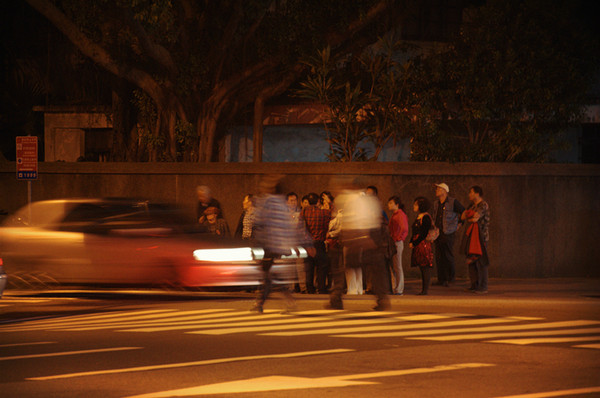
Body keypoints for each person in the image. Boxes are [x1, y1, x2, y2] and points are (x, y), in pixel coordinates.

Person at [330, 181, 390, 311]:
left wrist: (358, 238)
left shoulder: (351, 200)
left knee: (344, 268)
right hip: (369, 238)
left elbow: (355, 220)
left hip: (359, 239)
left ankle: (336, 298)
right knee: (376, 270)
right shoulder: (369, 200)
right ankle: (382, 298)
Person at [251, 175, 301, 313]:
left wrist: (256, 244)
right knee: (270, 274)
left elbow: (259, 221)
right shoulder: (282, 204)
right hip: (281, 246)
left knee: (268, 275)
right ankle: (264, 303)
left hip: (270, 244)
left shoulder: (267, 201)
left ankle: (260, 304)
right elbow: (288, 226)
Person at [432, 183, 465, 286]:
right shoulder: (436, 203)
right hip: (438, 232)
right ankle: (441, 279)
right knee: (439, 256)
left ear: (444, 191)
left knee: (448, 255)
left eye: (438, 189)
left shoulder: (453, 202)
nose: (436, 190)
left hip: (448, 232)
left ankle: (450, 279)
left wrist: (460, 223)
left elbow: (463, 211)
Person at [461, 186, 490, 294]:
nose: (469, 194)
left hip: (481, 237)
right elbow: (463, 216)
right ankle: (474, 284)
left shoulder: (483, 205)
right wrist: (469, 215)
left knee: (481, 261)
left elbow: (475, 217)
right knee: (471, 261)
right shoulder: (472, 205)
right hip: (471, 237)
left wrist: (470, 216)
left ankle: (483, 286)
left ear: (477, 194)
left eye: (471, 192)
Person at [301, 192, 331, 294]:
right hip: (319, 243)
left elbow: (300, 225)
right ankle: (321, 288)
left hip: (307, 243)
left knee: (308, 267)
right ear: (318, 201)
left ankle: (310, 289)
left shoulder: (304, 211)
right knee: (321, 267)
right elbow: (331, 216)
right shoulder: (324, 213)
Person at [409, 197, 434, 295]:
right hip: (418, 244)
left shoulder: (426, 217)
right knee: (422, 267)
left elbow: (423, 233)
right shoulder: (419, 216)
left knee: (425, 267)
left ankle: (425, 290)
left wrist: (414, 242)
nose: (414, 206)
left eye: (416, 204)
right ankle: (424, 289)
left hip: (423, 245)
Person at [286, 192, 307, 294]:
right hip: (287, 244)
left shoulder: (301, 212)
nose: (293, 202)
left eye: (295, 200)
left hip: (299, 243)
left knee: (300, 267)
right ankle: (291, 287)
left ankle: (303, 288)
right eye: (291, 200)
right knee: (289, 267)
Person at [388, 196, 408, 295]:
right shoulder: (395, 214)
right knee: (394, 265)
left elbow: (404, 228)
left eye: (391, 203)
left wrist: (398, 238)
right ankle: (395, 287)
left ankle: (399, 288)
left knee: (397, 265)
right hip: (394, 241)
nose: (389, 205)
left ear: (397, 204)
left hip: (397, 242)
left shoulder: (400, 214)